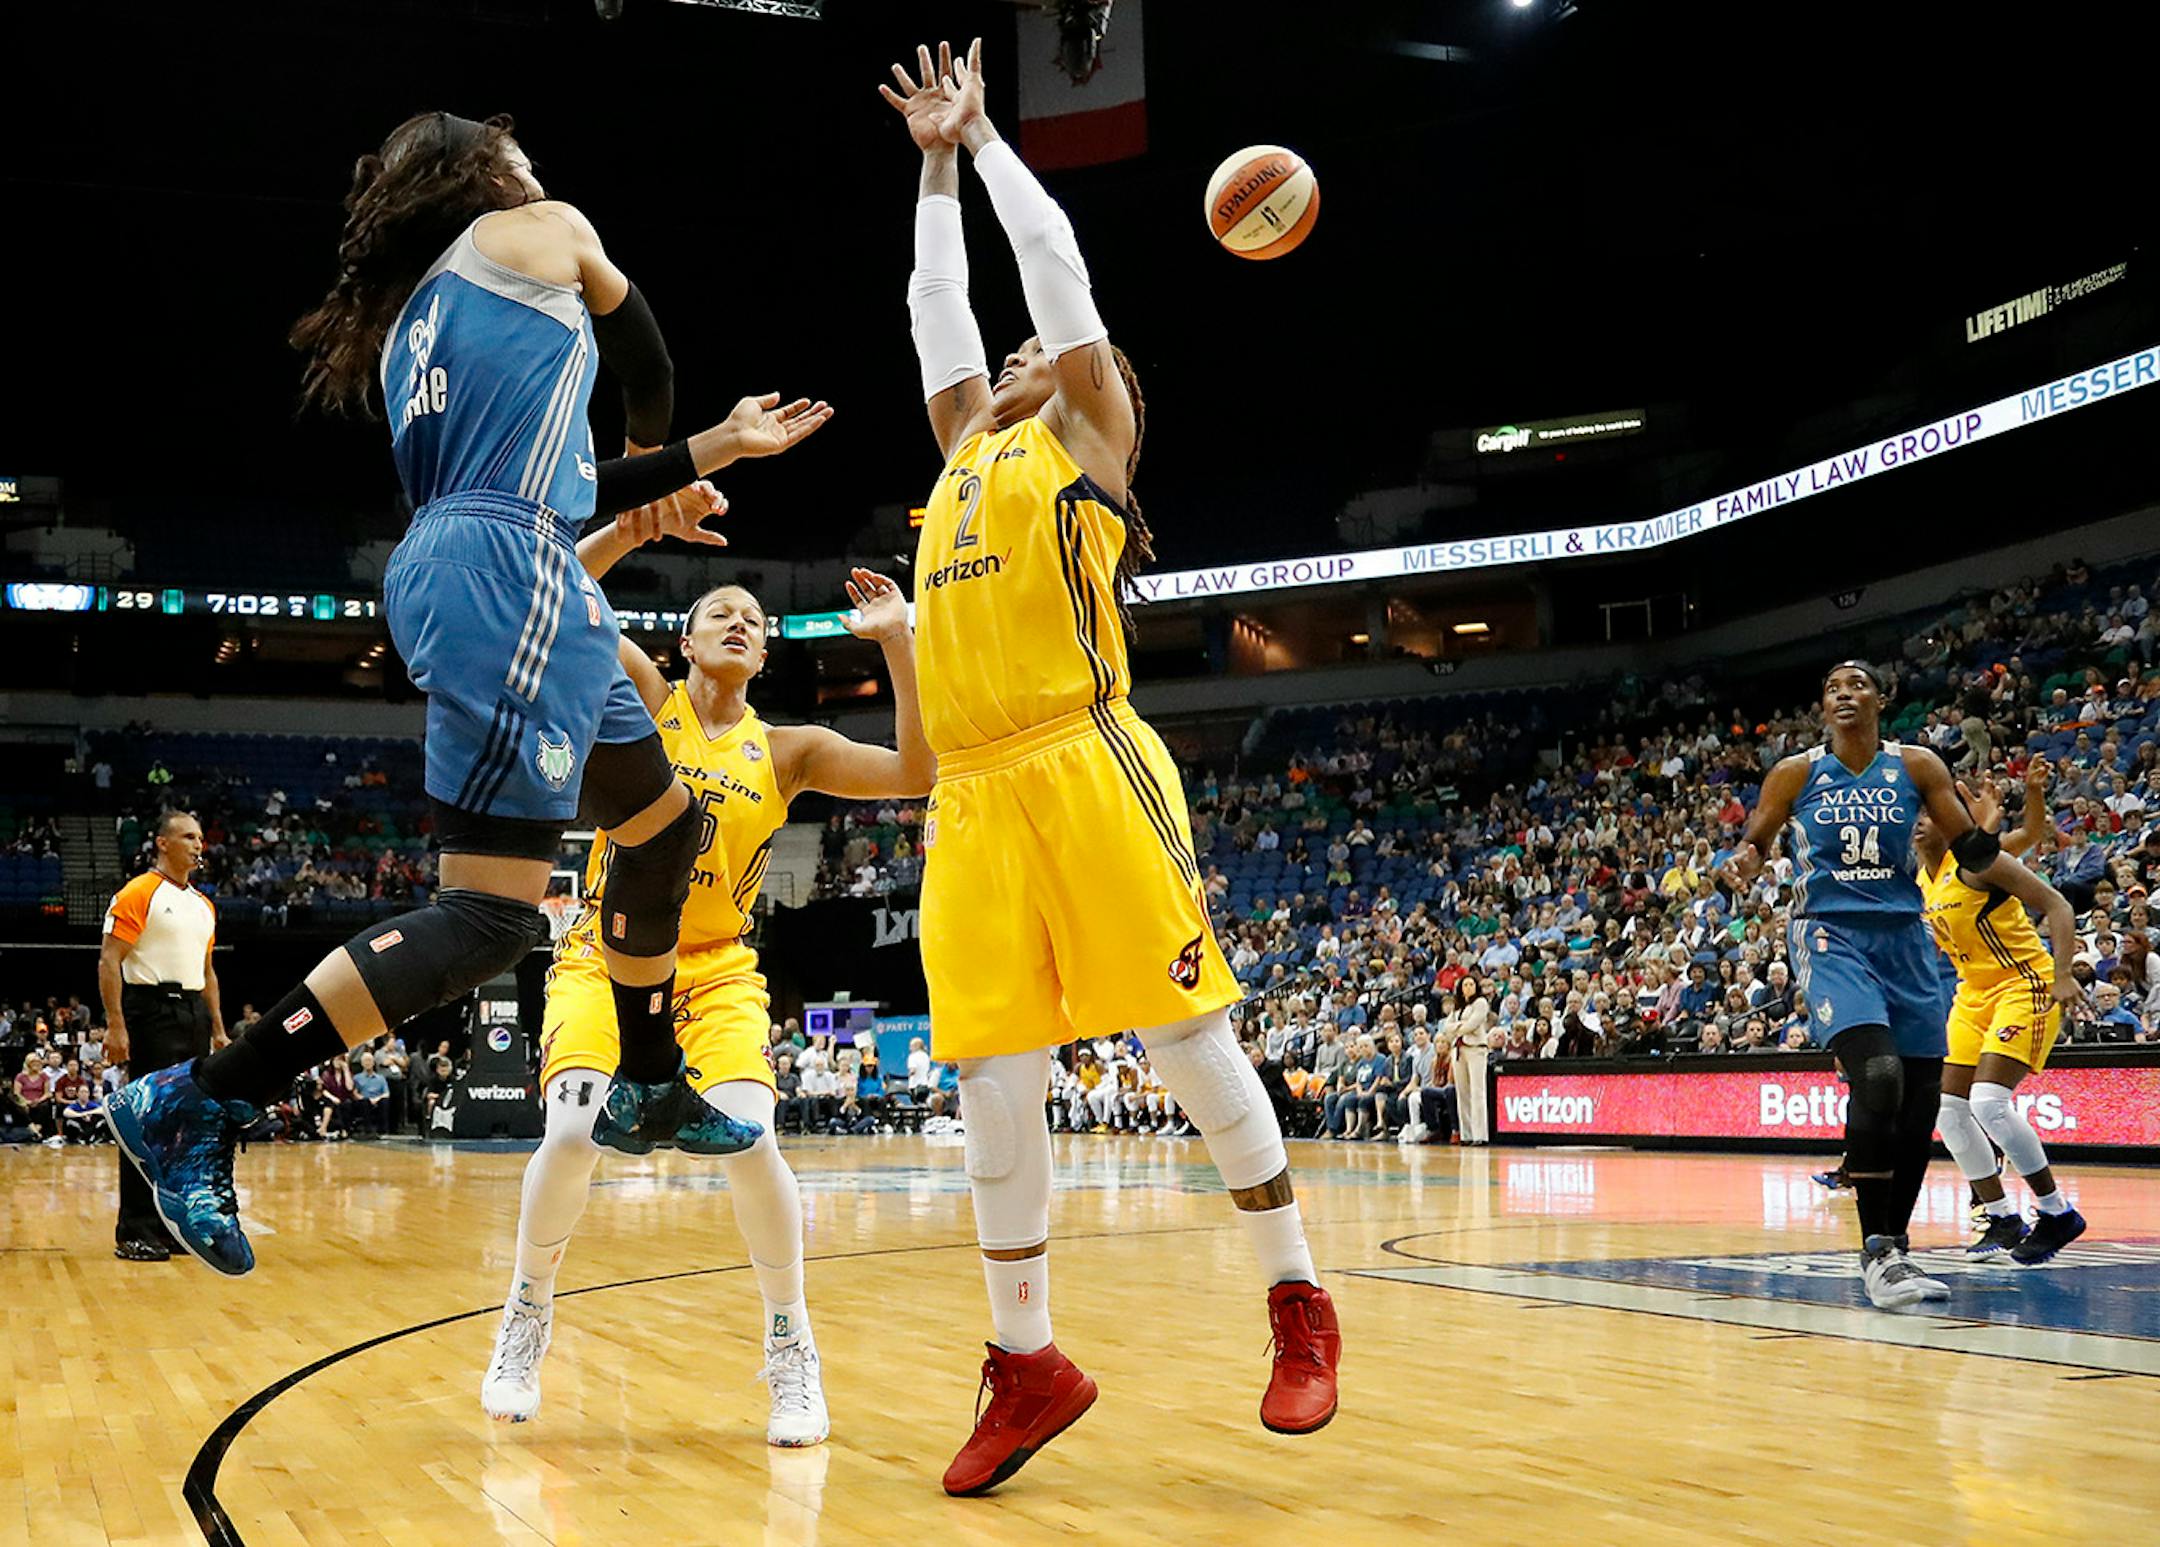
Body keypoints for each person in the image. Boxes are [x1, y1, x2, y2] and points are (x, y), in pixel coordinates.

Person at [108, 111, 833, 1276]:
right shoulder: (541, 225)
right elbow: (645, 362)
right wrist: (670, 454)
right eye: (520, 152)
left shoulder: (412, 331)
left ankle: (649, 1083)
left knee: (661, 828)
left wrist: (706, 457)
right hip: (511, 570)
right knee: (494, 912)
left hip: (502, 559)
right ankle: (201, 1097)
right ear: (487, 173)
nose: (539, 164)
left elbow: (573, 470)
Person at [882, 40, 1337, 1496]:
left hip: (1085, 760)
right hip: (970, 792)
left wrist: (997, 145)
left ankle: (1295, 1295)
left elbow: (1054, 272)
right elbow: (933, 300)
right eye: (1003, 359)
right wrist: (935, 166)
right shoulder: (963, 447)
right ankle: (1027, 1362)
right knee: (993, 1084)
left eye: (1039, 355)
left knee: (1185, 1042)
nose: (1011, 357)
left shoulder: (1085, 436)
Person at [480, 559, 934, 1447]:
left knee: (755, 1143)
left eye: (752, 617)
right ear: (682, 643)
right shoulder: (649, 703)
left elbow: (916, 769)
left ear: (762, 654)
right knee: (571, 1134)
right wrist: (642, 510)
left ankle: (790, 1339)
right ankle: (527, 1312)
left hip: (716, 969)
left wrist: (898, 642)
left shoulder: (789, 748)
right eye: (718, 611)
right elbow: (563, 590)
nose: (738, 620)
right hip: (605, 954)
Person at [1721, 660, 2032, 1309]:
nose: (1845, 694)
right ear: (1822, 706)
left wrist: (2046, 893)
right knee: (1881, 1075)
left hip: (1906, 936)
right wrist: (1741, 863)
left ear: (1880, 701)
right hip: (1830, 931)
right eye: (1833, 686)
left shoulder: (1916, 766)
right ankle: (1877, 1251)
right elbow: (1755, 841)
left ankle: (1895, 1244)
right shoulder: (1796, 772)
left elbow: (1972, 849)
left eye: (1857, 685)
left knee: (1922, 1101)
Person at [1920, 773, 2087, 1262]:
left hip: (2024, 984)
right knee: (1950, 1112)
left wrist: (2060, 974)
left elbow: (2055, 899)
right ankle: (2000, 1216)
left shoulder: (1975, 862)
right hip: (1972, 994)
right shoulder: (1922, 878)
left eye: (1930, 814)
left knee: (1989, 1102)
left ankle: (2057, 1212)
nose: (1920, 822)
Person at [98, 811, 226, 1261]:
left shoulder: (204, 905)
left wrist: (218, 1030)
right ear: (162, 843)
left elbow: (208, 973)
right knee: (146, 1120)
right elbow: (109, 960)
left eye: (200, 837)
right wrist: (116, 1024)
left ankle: (168, 1226)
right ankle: (133, 1228)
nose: (198, 844)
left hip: (191, 1013)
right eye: (188, 836)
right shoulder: (139, 892)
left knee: (182, 1128)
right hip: (149, 1011)